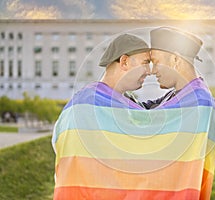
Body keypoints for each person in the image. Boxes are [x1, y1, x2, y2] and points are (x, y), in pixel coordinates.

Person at [52, 33, 151, 199]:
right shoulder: (88, 104)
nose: (149, 71)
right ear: (124, 61)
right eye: (145, 63)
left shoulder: (115, 101)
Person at [144, 27, 215, 199]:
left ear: (176, 59)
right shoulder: (181, 94)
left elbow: (146, 129)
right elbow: (148, 107)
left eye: (155, 61)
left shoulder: (197, 102)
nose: (152, 70)